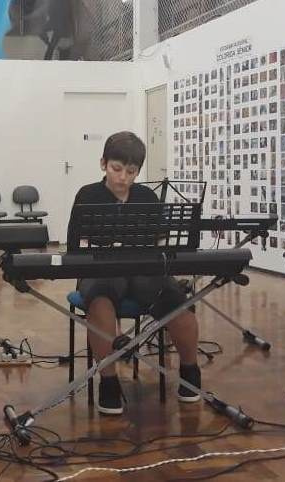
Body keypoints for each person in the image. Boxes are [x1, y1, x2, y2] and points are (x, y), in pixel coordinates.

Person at [68, 131, 202, 415]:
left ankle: (190, 373)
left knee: (178, 303)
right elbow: (76, 245)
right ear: (103, 164)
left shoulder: (146, 197)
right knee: (100, 302)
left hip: (144, 270)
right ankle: (109, 382)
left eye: (131, 172)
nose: (123, 178)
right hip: (100, 270)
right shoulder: (88, 195)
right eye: (116, 169)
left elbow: (159, 242)